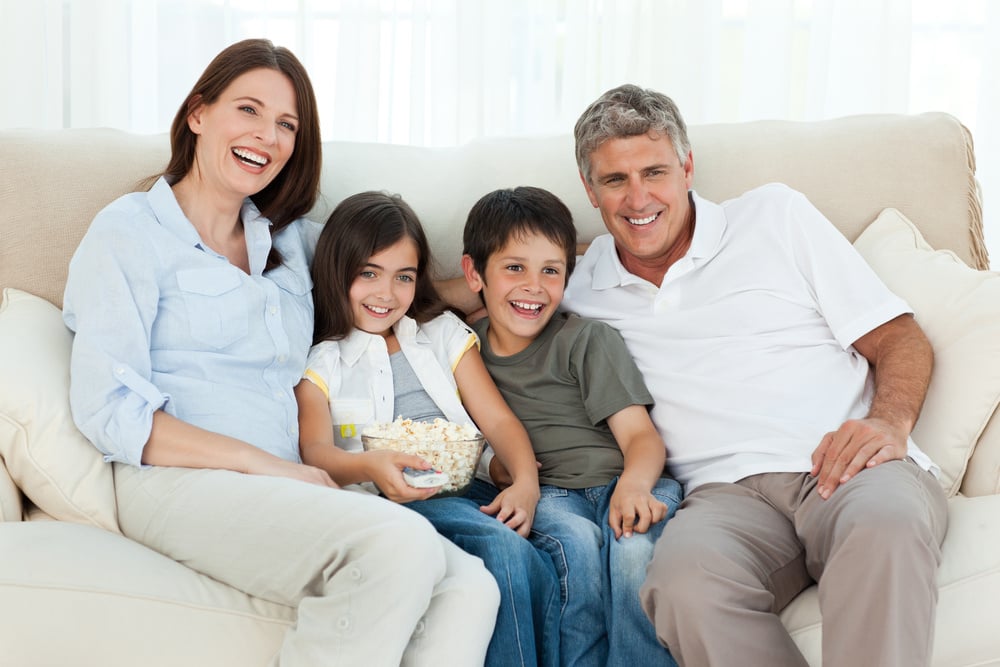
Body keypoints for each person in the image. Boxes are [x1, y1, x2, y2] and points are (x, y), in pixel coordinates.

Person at [62, 38, 499, 666]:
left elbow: (389, 281)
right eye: (249, 110)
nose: (267, 136)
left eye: (286, 124)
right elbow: (109, 408)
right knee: (397, 548)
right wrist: (263, 465)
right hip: (178, 480)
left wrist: (503, 287)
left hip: (286, 484)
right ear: (198, 113)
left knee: (469, 586)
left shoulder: (294, 243)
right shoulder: (126, 233)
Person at [564, 84, 949, 666]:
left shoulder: (776, 216)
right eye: (615, 180)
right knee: (679, 584)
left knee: (887, 526)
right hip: (722, 500)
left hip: (846, 464)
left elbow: (900, 339)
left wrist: (888, 423)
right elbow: (482, 289)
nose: (638, 198)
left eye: (655, 172)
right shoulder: (576, 287)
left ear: (688, 167)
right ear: (590, 191)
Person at [294, 190, 561, 667]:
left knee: (552, 548)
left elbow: (497, 418)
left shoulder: (441, 334)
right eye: (368, 273)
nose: (386, 293)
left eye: (404, 277)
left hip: (469, 486)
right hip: (392, 502)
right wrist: (369, 465)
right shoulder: (325, 362)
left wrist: (526, 482)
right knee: (504, 547)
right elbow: (314, 451)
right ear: (338, 272)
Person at [459, 185, 683, 667]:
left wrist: (634, 487)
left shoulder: (585, 339)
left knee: (631, 552)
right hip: (550, 493)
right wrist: (501, 470)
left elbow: (641, 437)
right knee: (576, 548)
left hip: (629, 483)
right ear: (474, 273)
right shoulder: (461, 351)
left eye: (551, 270)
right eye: (514, 268)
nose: (533, 287)